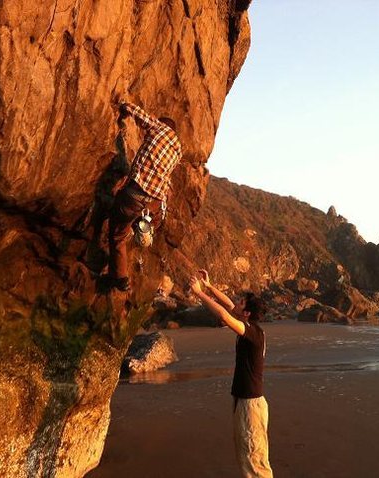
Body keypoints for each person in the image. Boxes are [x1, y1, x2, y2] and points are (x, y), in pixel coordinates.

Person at [189, 270, 273, 478]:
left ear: (247, 314)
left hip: (250, 404)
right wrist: (209, 287)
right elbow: (228, 307)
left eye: (241, 302)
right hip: (244, 401)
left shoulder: (252, 333)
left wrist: (199, 294)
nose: (236, 302)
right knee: (247, 456)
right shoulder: (250, 325)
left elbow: (225, 315)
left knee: (255, 461)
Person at [108, 100, 182, 292]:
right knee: (140, 216)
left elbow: (137, 112)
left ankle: (120, 278)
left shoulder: (160, 129)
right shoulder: (177, 151)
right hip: (155, 204)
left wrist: (122, 105)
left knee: (117, 235)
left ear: (163, 125)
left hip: (136, 195)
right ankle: (142, 227)